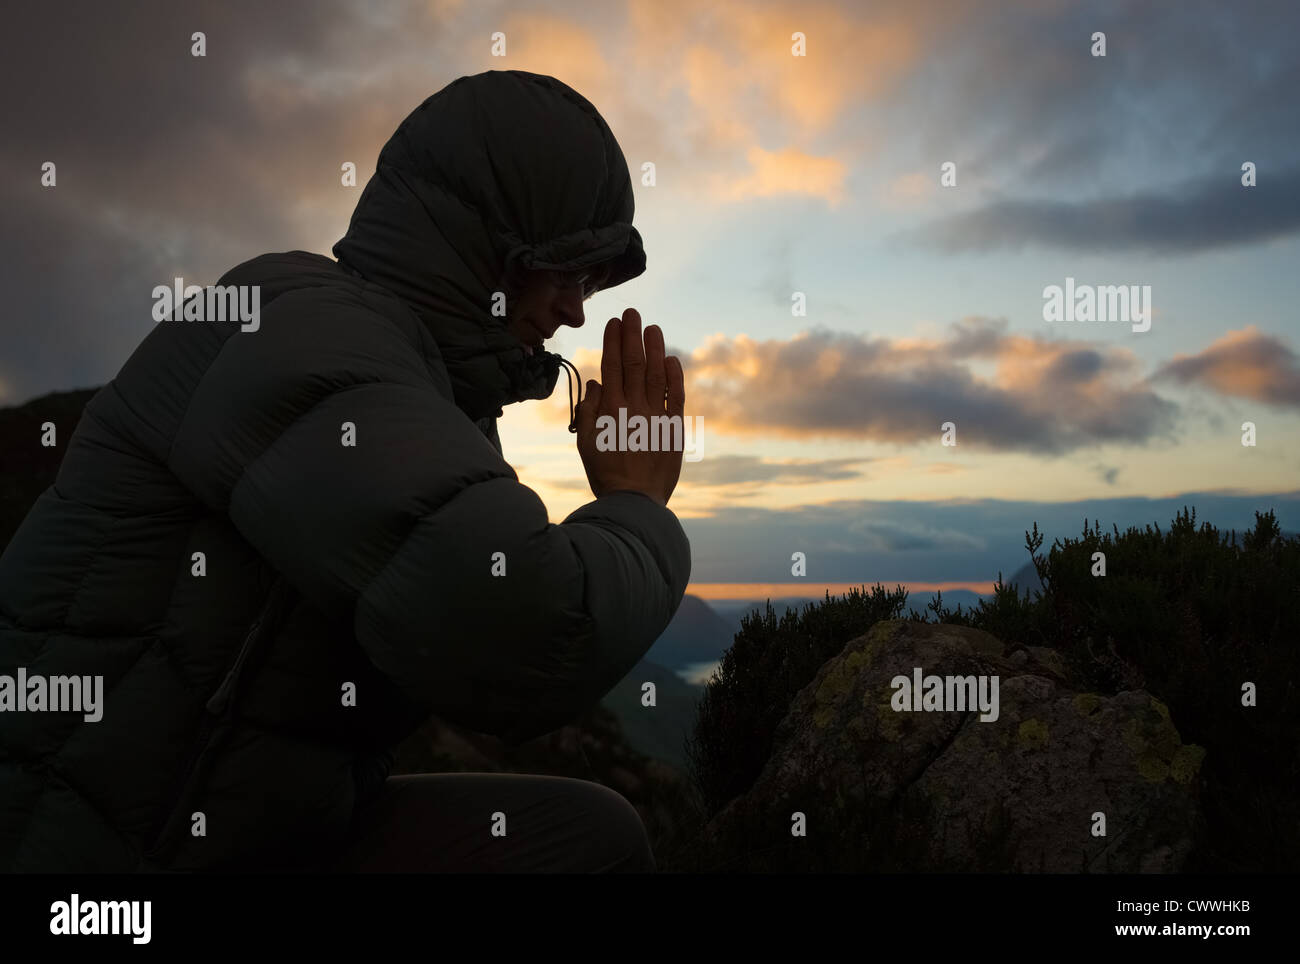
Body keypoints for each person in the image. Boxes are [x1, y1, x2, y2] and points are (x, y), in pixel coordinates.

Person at [0, 69, 690, 873]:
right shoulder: (301, 326)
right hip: (85, 847)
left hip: (261, 830)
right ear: (491, 243)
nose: (578, 310)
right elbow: (527, 636)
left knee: (585, 840)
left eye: (593, 284)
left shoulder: (441, 400)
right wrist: (638, 502)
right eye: (569, 272)